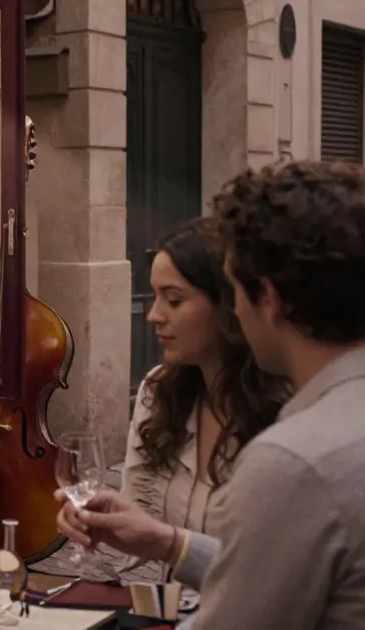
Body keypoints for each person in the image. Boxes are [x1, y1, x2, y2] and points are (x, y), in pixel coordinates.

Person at [56, 161, 365, 628]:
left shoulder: (295, 459)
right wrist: (170, 543)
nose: (155, 316)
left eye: (236, 290)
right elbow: (271, 571)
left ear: (268, 300)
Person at [123, 218, 290, 537]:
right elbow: (136, 516)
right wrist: (106, 519)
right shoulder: (158, 391)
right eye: (154, 296)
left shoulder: (285, 410)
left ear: (229, 304)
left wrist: (171, 545)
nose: (154, 315)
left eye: (173, 300)